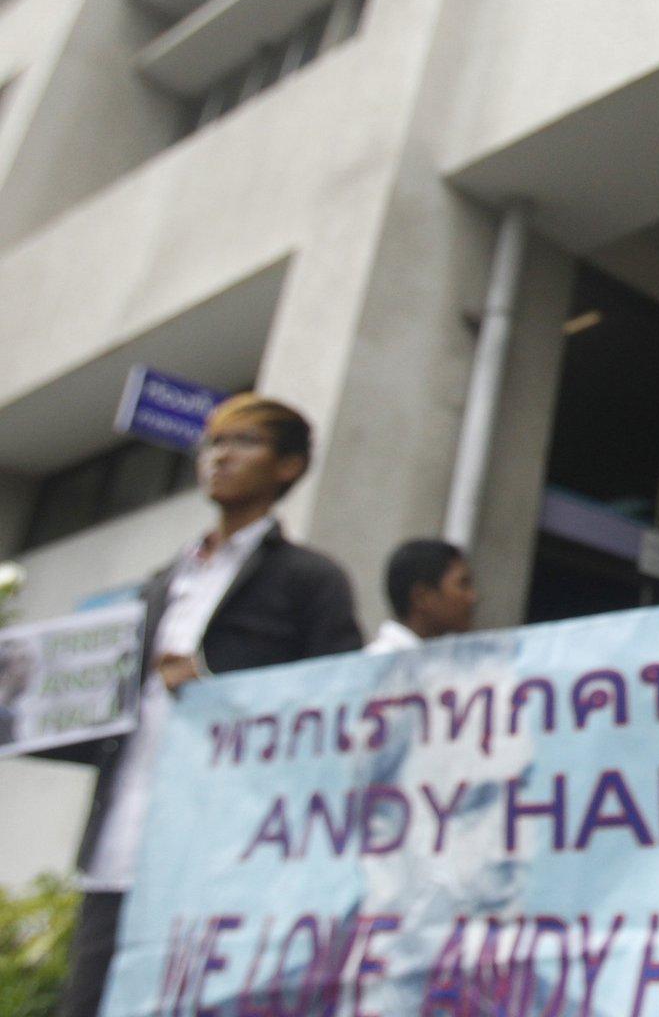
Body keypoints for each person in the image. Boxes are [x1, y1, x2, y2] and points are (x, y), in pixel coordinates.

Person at [53, 394, 361, 1017]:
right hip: (121, 846)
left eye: (243, 442)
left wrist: (218, 682)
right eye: (213, 443)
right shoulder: (162, 582)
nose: (220, 456)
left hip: (228, 852)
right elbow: (111, 718)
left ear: (289, 467)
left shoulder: (310, 580)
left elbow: (342, 701)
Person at [366, 539, 478, 654]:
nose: (472, 597)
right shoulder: (384, 662)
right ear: (422, 597)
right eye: (463, 585)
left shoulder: (437, 660)